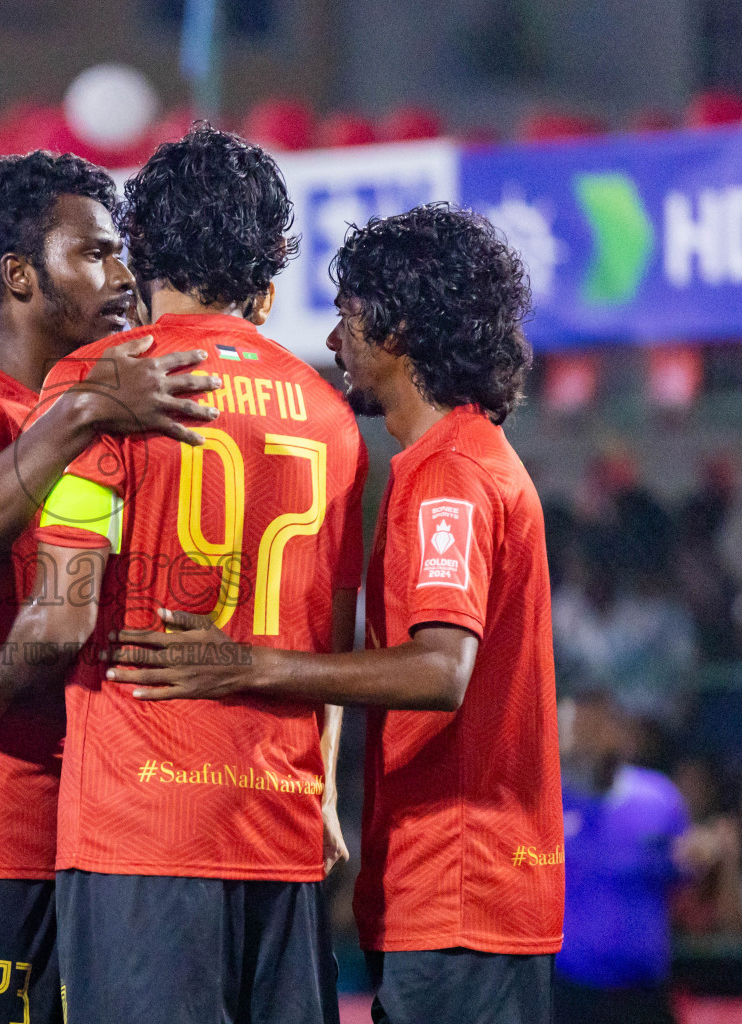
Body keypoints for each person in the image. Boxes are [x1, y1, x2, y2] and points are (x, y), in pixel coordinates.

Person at [0, 125, 364, 1023]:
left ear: (145, 247)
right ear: (268, 259)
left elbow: (65, 615)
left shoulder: (108, 381)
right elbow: (329, 637)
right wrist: (324, 796)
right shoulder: (331, 413)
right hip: (283, 827)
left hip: (142, 833)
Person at [103, 202, 564, 1024]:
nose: (331, 342)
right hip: (470, 892)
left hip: (463, 889)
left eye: (348, 319)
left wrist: (250, 664)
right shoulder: (459, 458)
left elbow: (440, 668)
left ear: (399, 331)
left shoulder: (450, 475)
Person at [0, 150, 220, 1024]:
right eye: (93, 253)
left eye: (121, 252)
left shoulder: (108, 415)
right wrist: (84, 409)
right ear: (19, 277)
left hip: (73, 828)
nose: (123, 276)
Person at [555, 691, 688, 1024]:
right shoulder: (548, 802)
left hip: (643, 995)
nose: (587, 742)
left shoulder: (660, 797)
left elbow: (688, 884)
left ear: (618, 730)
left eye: (596, 728)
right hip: (571, 996)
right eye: (578, 729)